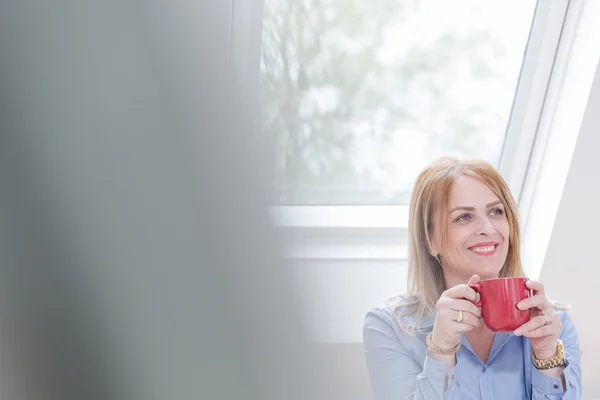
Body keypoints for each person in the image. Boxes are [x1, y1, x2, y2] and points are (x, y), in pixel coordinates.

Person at [363, 157, 582, 399]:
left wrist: (547, 355)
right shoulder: (390, 328)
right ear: (430, 239)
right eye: (464, 217)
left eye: (496, 211)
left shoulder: (554, 324)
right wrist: (441, 349)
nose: (488, 228)